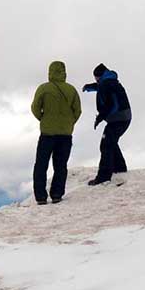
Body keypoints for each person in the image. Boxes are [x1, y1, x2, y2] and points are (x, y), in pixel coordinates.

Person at [31, 61, 82, 205]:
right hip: (65, 134)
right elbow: (77, 111)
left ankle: (41, 197)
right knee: (61, 165)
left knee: (41, 164)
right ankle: (57, 194)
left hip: (47, 133)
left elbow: (35, 107)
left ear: (50, 72)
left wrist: (43, 118)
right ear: (64, 72)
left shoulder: (44, 88)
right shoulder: (71, 90)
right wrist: (69, 123)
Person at [82, 63, 132, 186]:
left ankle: (104, 176)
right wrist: (89, 87)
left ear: (99, 76)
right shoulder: (109, 81)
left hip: (118, 119)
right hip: (124, 118)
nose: (96, 80)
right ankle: (120, 169)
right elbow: (100, 87)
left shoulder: (106, 84)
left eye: (95, 78)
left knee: (105, 145)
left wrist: (100, 117)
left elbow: (112, 105)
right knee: (111, 142)